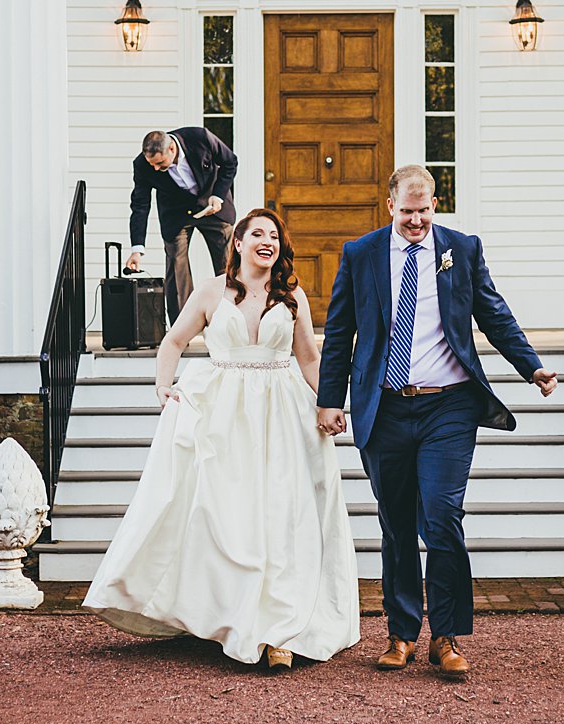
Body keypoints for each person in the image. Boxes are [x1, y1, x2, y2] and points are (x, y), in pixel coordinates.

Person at [85, 208, 359, 668]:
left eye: (273, 235)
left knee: (282, 516)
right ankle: (232, 615)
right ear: (239, 242)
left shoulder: (291, 295)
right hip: (224, 414)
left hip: (281, 413)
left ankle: (280, 630)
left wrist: (331, 402)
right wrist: (163, 386)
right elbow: (173, 341)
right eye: (257, 233)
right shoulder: (212, 291)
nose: (266, 241)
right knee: (227, 514)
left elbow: (310, 357)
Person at [316, 165, 558, 679]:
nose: (416, 220)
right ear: (390, 206)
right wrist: (329, 399)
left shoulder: (462, 248)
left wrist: (530, 365)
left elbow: (493, 312)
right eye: (407, 211)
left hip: (448, 406)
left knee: (443, 518)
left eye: (424, 210)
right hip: (385, 407)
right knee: (396, 523)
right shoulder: (361, 254)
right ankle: (401, 634)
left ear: (435, 203)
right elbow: (339, 332)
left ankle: (446, 637)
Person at [127, 127, 240, 324]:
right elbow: (140, 204)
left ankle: (235, 320)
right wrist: (137, 249)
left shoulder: (200, 138)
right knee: (176, 267)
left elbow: (230, 162)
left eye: (160, 163)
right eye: (151, 164)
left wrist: (219, 195)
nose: (155, 169)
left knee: (228, 265)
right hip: (176, 214)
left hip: (212, 206)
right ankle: (183, 328)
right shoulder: (142, 165)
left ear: (172, 148)